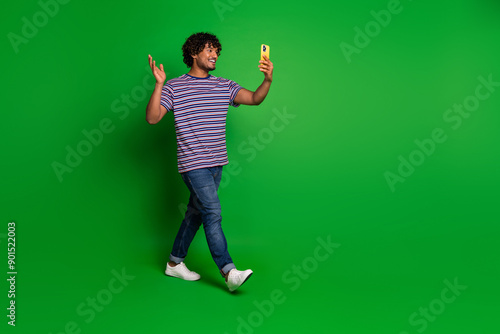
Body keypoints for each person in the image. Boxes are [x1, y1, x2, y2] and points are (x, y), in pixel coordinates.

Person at [145, 32, 273, 292]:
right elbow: (152, 118)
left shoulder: (224, 85)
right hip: (193, 165)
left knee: (196, 213)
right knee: (213, 213)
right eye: (209, 50)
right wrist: (159, 85)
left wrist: (267, 79)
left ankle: (174, 264)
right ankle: (229, 272)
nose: (215, 54)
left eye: (217, 50)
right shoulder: (175, 87)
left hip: (217, 164)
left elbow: (255, 99)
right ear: (194, 53)